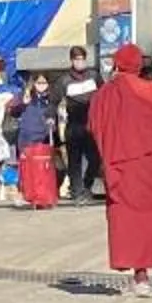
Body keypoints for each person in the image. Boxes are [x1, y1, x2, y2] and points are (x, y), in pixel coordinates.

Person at [87, 44, 152, 294]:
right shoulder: (151, 90)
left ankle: (136, 272)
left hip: (118, 164)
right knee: (147, 218)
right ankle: (142, 276)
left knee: (125, 218)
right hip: (148, 163)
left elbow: (94, 125)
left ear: (116, 64)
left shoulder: (104, 94)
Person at [61, 46, 101, 200]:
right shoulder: (64, 80)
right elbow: (53, 101)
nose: (80, 62)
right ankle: (77, 192)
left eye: (82, 59)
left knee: (95, 159)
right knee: (74, 161)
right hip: (74, 125)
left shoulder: (94, 76)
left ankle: (87, 186)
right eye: (77, 59)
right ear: (72, 61)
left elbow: (104, 94)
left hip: (91, 125)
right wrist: (50, 116)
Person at [15, 71, 59, 209]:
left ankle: (44, 195)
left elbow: (55, 115)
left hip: (44, 138)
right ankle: (28, 194)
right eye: (38, 82)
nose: (41, 86)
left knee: (45, 169)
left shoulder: (51, 99)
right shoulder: (26, 96)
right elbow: (13, 112)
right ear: (33, 84)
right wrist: (22, 103)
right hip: (27, 138)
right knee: (27, 169)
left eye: (44, 83)